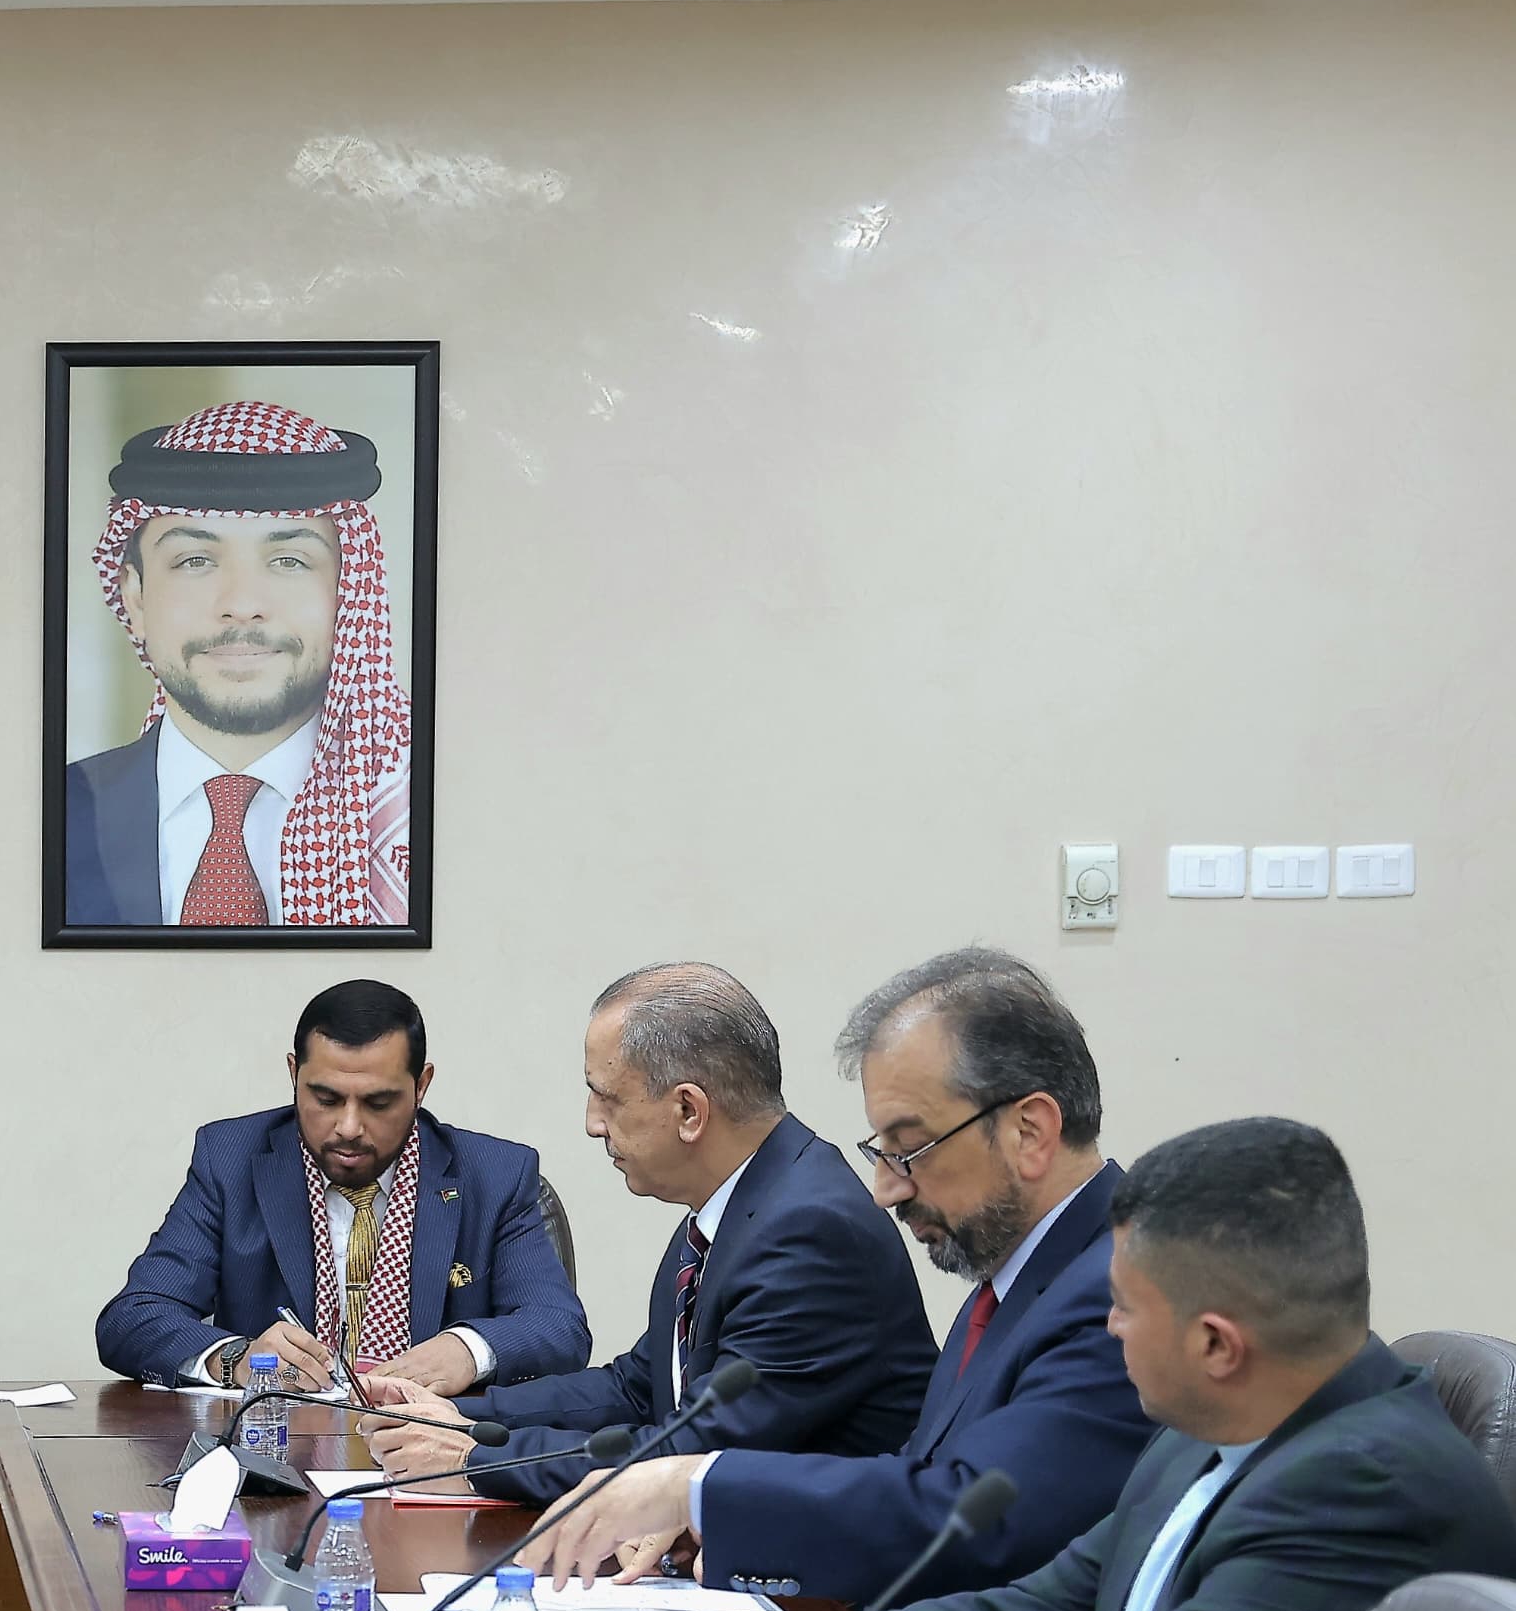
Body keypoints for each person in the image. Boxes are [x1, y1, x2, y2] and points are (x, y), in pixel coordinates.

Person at [617, 1118, 1516, 1611]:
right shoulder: (1222, 1423)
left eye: (1124, 1307)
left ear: (1217, 1345)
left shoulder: (1357, 1488)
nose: (1109, 1327)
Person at [525, 949, 1154, 1597]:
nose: (885, 1190)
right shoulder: (1020, 1280)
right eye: (880, 1151)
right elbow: (920, 1472)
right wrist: (740, 1524)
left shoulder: (1121, 1296)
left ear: (1030, 1131)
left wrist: (698, 1488)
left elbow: (979, 1528)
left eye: (909, 1150)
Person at [361, 964, 931, 1509]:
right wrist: (460, 1415)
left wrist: (476, 1459)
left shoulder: (810, 1233)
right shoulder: (741, 1203)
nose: (592, 1123)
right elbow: (638, 1389)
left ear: (689, 1110)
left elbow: (692, 1455)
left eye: (606, 1097)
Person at [95, 977, 587, 1397]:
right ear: (294, 1074)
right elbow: (132, 1318)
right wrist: (238, 1359)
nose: (349, 1127)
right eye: (326, 1099)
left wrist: (469, 1350)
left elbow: (558, 1327)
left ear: (421, 1086)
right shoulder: (231, 1160)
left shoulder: (494, 1176)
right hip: (277, 1451)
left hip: (431, 1447)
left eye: (378, 1103)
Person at [61, 402, 416, 930]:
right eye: (195, 561)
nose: (242, 605)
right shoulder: (52, 815)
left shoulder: (425, 812)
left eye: (289, 561)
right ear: (135, 599)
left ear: (350, 593)